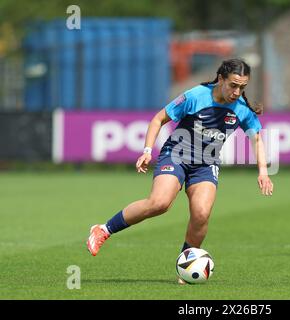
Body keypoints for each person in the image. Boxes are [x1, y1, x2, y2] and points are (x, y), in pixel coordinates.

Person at [86, 58, 274, 282]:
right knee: (160, 203)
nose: (237, 91)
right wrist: (147, 150)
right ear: (221, 79)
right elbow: (158, 119)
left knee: (201, 214)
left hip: (206, 164)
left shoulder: (242, 109)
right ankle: (104, 230)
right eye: (233, 85)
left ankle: (185, 265)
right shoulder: (196, 96)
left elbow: (257, 140)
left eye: (242, 87)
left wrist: (263, 172)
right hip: (176, 155)